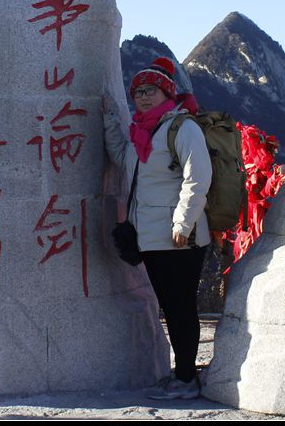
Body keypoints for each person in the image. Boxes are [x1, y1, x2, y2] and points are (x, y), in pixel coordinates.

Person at [102, 57, 211, 400]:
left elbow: (198, 177)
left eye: (151, 91)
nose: (144, 97)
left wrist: (184, 222)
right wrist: (108, 119)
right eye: (138, 93)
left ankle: (186, 379)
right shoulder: (143, 132)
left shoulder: (182, 127)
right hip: (151, 236)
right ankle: (183, 374)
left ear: (167, 92)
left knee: (180, 306)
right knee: (170, 305)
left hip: (179, 237)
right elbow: (123, 160)